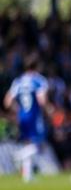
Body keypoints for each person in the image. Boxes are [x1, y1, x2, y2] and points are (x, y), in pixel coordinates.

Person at [3, 53, 49, 182]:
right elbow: (41, 100)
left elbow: (7, 101)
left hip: (22, 116)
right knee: (38, 145)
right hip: (34, 116)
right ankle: (19, 155)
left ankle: (28, 176)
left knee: (28, 143)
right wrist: (48, 110)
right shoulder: (40, 80)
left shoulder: (18, 81)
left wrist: (17, 110)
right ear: (37, 66)